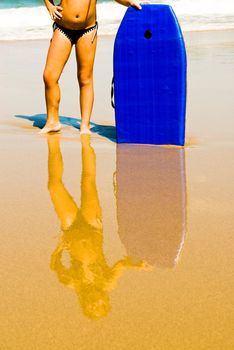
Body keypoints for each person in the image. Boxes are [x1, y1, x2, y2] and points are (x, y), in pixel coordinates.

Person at [41, 0, 144, 134]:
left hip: (87, 30)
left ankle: (85, 126)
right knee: (49, 76)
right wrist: (49, 6)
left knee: (85, 79)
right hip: (62, 27)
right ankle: (52, 122)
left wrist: (130, 2)